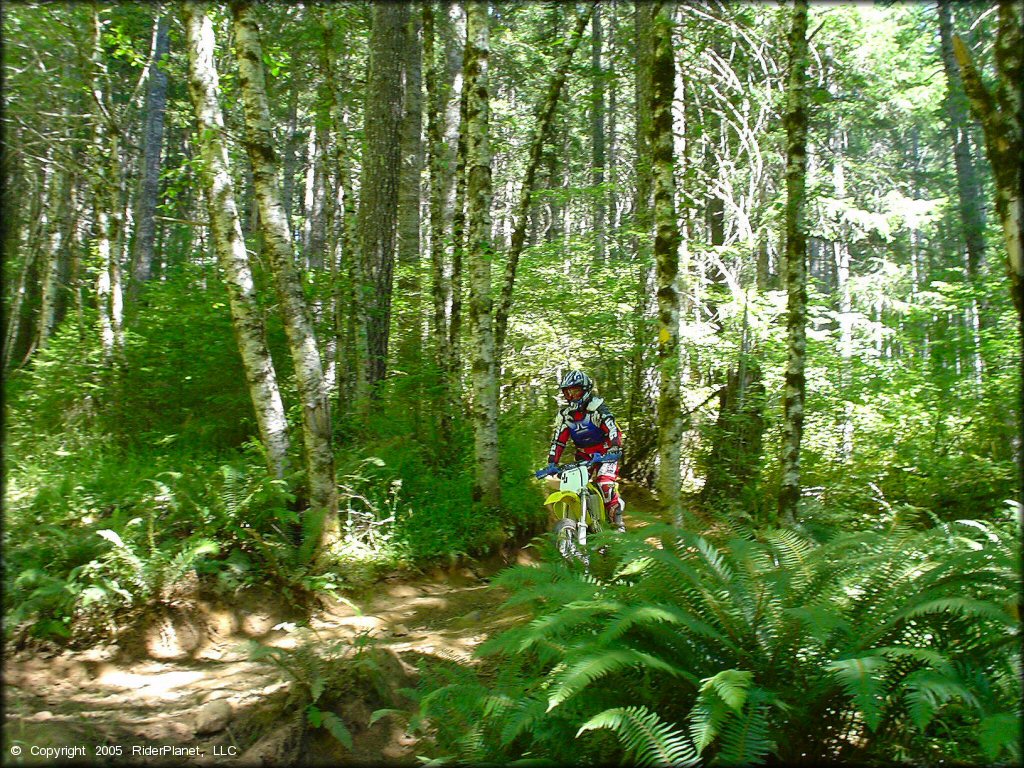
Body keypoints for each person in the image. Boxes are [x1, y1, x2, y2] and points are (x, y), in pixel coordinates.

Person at [539, 370, 625, 532]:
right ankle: (583, 522)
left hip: (606, 454)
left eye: (575, 391)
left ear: (585, 390)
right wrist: (551, 463)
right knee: (573, 486)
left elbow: (613, 429)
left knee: (605, 484)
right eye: (568, 392)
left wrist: (614, 446)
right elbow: (558, 441)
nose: (572, 396)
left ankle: (618, 525)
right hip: (583, 456)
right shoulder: (566, 416)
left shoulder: (597, 408)